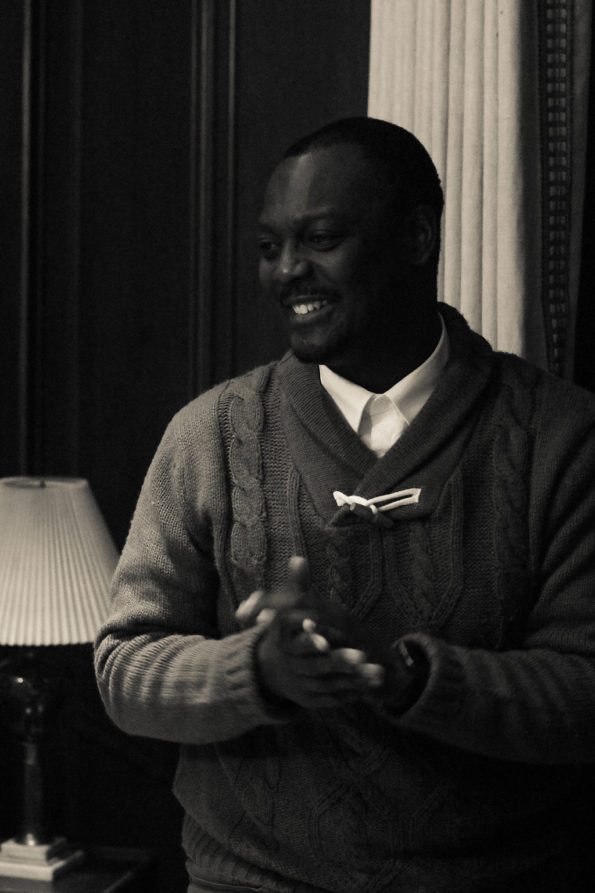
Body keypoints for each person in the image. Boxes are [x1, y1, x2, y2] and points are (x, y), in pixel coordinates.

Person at [94, 117, 595, 893]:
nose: (287, 270)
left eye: (320, 239)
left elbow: (582, 691)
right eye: (269, 247)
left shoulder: (558, 435)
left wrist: (401, 674)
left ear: (418, 236)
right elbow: (124, 668)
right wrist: (257, 670)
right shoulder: (211, 434)